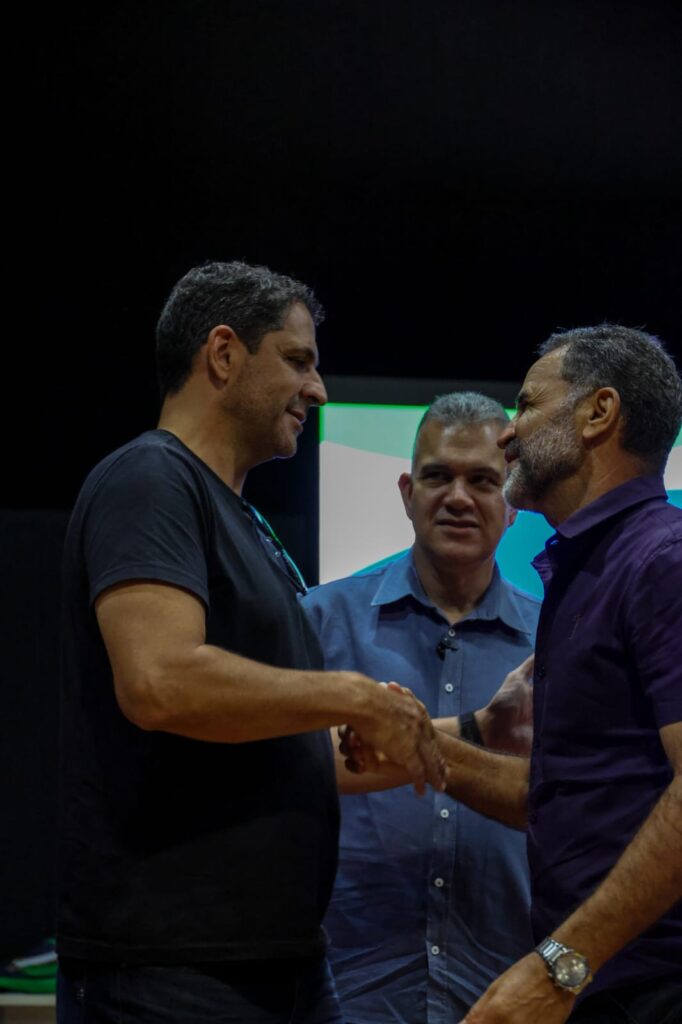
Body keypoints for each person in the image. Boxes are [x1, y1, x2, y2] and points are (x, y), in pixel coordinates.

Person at [55, 260, 447, 1024]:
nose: (318, 390)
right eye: (298, 361)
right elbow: (160, 683)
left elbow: (286, 745)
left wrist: (460, 734)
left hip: (275, 966)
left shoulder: (243, 518)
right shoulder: (150, 479)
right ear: (224, 353)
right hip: (172, 974)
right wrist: (354, 695)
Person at [348, 325, 682, 1024]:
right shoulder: (586, 570)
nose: (507, 434)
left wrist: (562, 965)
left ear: (598, 414)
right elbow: (571, 796)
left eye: (528, 405)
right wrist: (432, 741)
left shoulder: (662, 560)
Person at [301, 392, 541, 1022]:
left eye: (483, 480)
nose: (458, 497)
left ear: (512, 503)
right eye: (438, 477)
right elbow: (272, 772)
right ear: (407, 493)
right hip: (345, 990)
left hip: (507, 994)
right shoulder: (317, 622)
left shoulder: (556, 644)